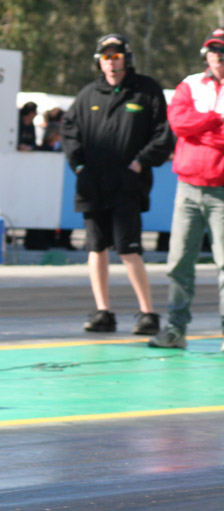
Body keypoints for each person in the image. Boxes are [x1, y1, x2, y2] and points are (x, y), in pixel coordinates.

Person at [62, 33, 174, 334]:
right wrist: (79, 165)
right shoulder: (88, 94)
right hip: (92, 185)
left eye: (116, 56)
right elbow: (69, 131)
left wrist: (140, 163)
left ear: (127, 59)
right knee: (96, 247)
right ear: (98, 61)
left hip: (127, 184)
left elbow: (163, 133)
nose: (111, 63)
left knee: (128, 249)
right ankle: (103, 312)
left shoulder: (146, 90)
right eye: (105, 57)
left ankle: (148, 313)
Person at [149, 29, 224, 350]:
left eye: (222, 50)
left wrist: (198, 129)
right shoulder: (190, 84)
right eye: (213, 50)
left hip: (222, 192)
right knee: (178, 262)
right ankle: (176, 330)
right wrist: (214, 120)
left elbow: (190, 127)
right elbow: (178, 123)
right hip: (188, 187)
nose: (218, 55)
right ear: (205, 54)